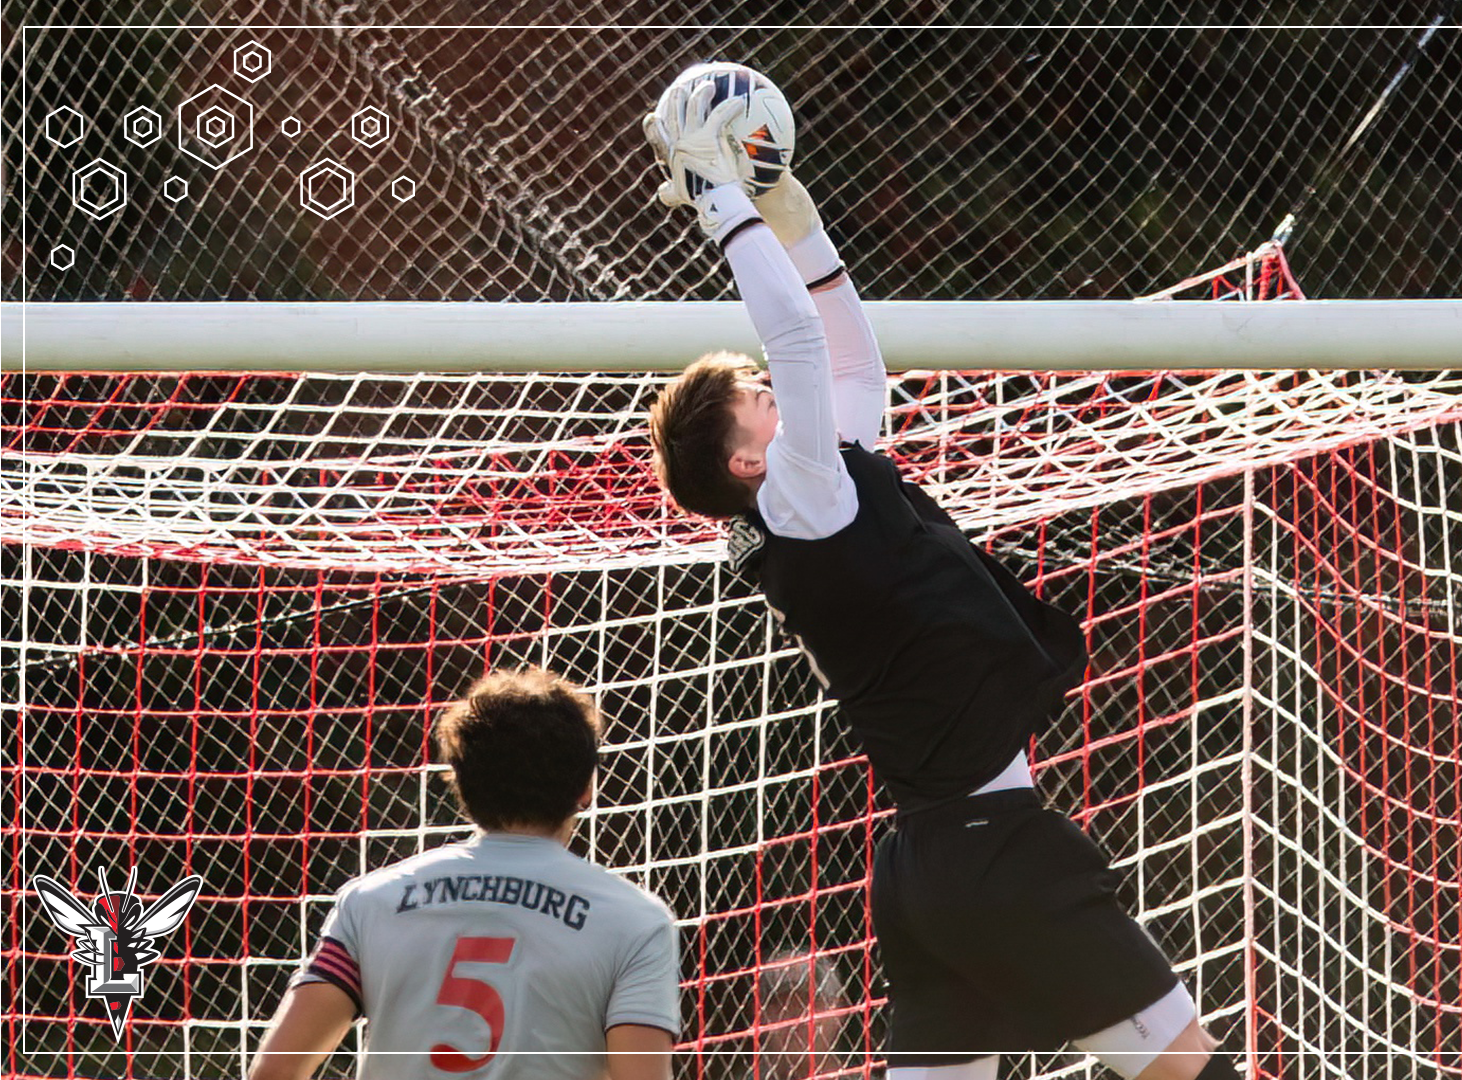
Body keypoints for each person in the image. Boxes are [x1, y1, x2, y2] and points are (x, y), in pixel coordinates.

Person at [643, 72, 1233, 1080]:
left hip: (928, 867)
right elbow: (791, 338)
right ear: (746, 461)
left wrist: (795, 215)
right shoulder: (801, 502)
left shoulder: (824, 499)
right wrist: (719, 197)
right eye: (756, 398)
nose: (775, 390)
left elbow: (852, 365)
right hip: (995, 855)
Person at [249, 667, 679, 1080]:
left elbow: (276, 1070)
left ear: (460, 782)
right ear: (587, 786)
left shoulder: (372, 901)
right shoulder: (635, 922)